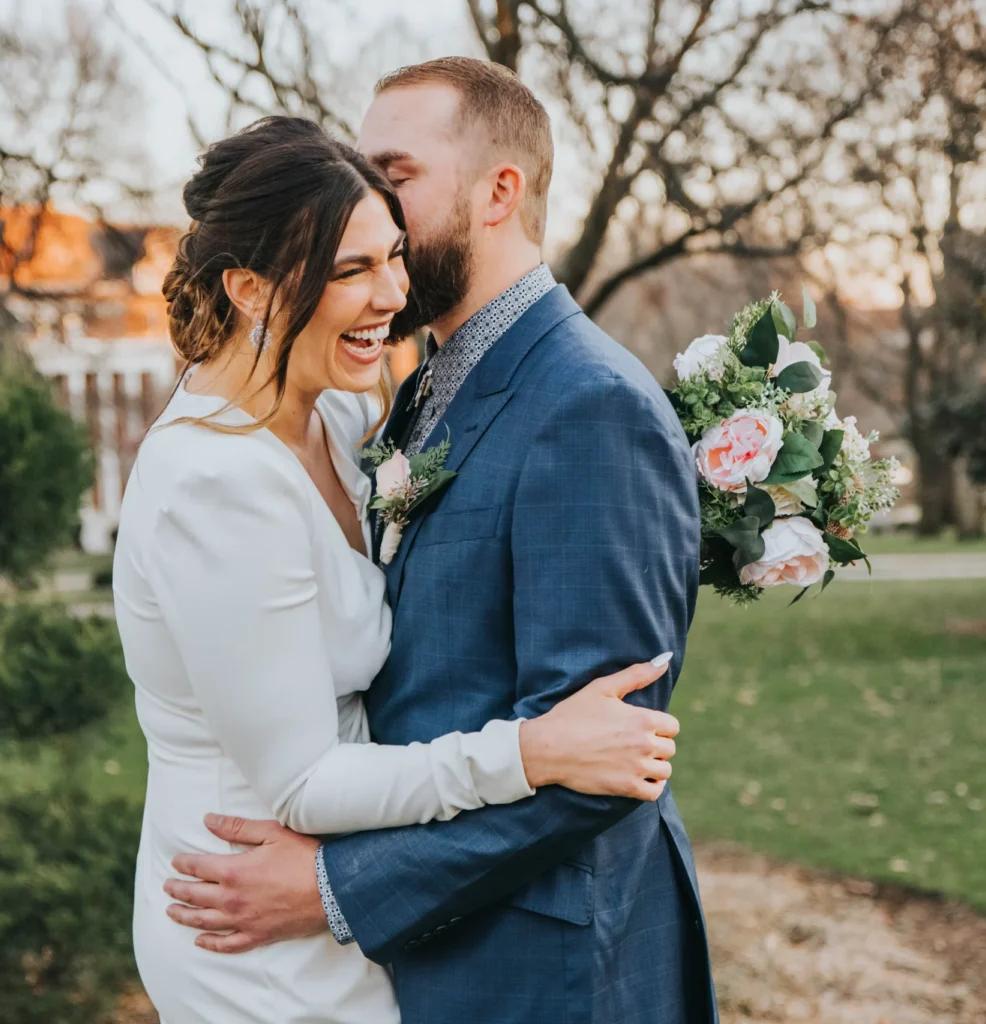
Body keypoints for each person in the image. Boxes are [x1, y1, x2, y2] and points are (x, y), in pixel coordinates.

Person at [159, 59, 717, 1022]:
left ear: (500, 191)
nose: (365, 209)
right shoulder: (419, 389)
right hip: (445, 947)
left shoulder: (587, 407)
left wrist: (341, 887)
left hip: (548, 967)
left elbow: (603, 759)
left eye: (395, 176)